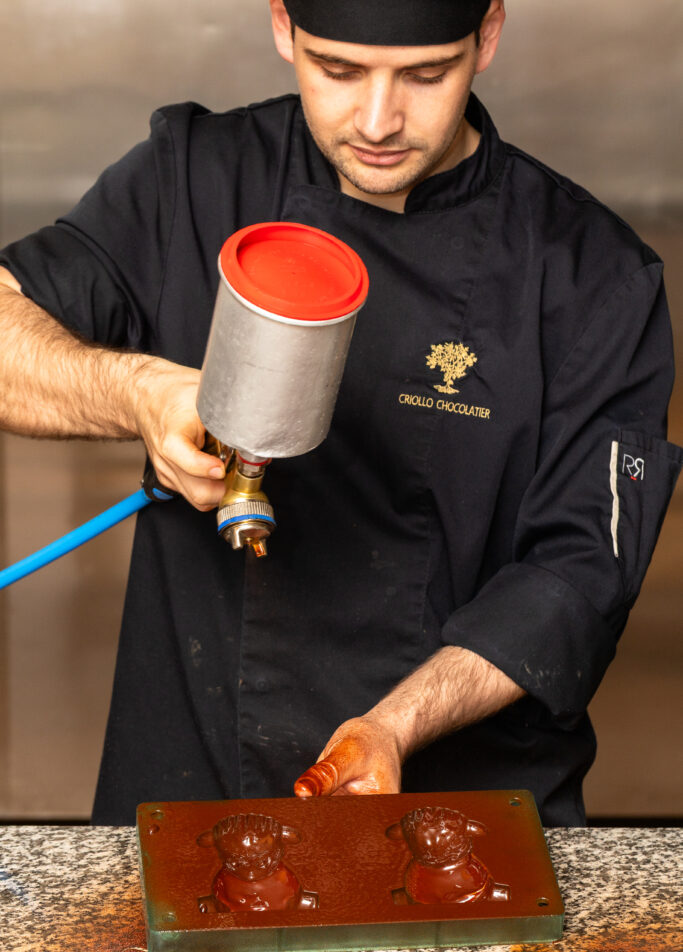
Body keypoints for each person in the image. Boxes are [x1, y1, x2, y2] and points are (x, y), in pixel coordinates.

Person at [0, 0, 680, 826]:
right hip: (191, 792)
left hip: (458, 817)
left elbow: (576, 577)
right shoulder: (194, 179)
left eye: (425, 75)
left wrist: (396, 724)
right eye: (338, 70)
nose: (377, 119)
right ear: (282, 27)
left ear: (487, 36)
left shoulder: (589, 275)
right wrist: (136, 392)